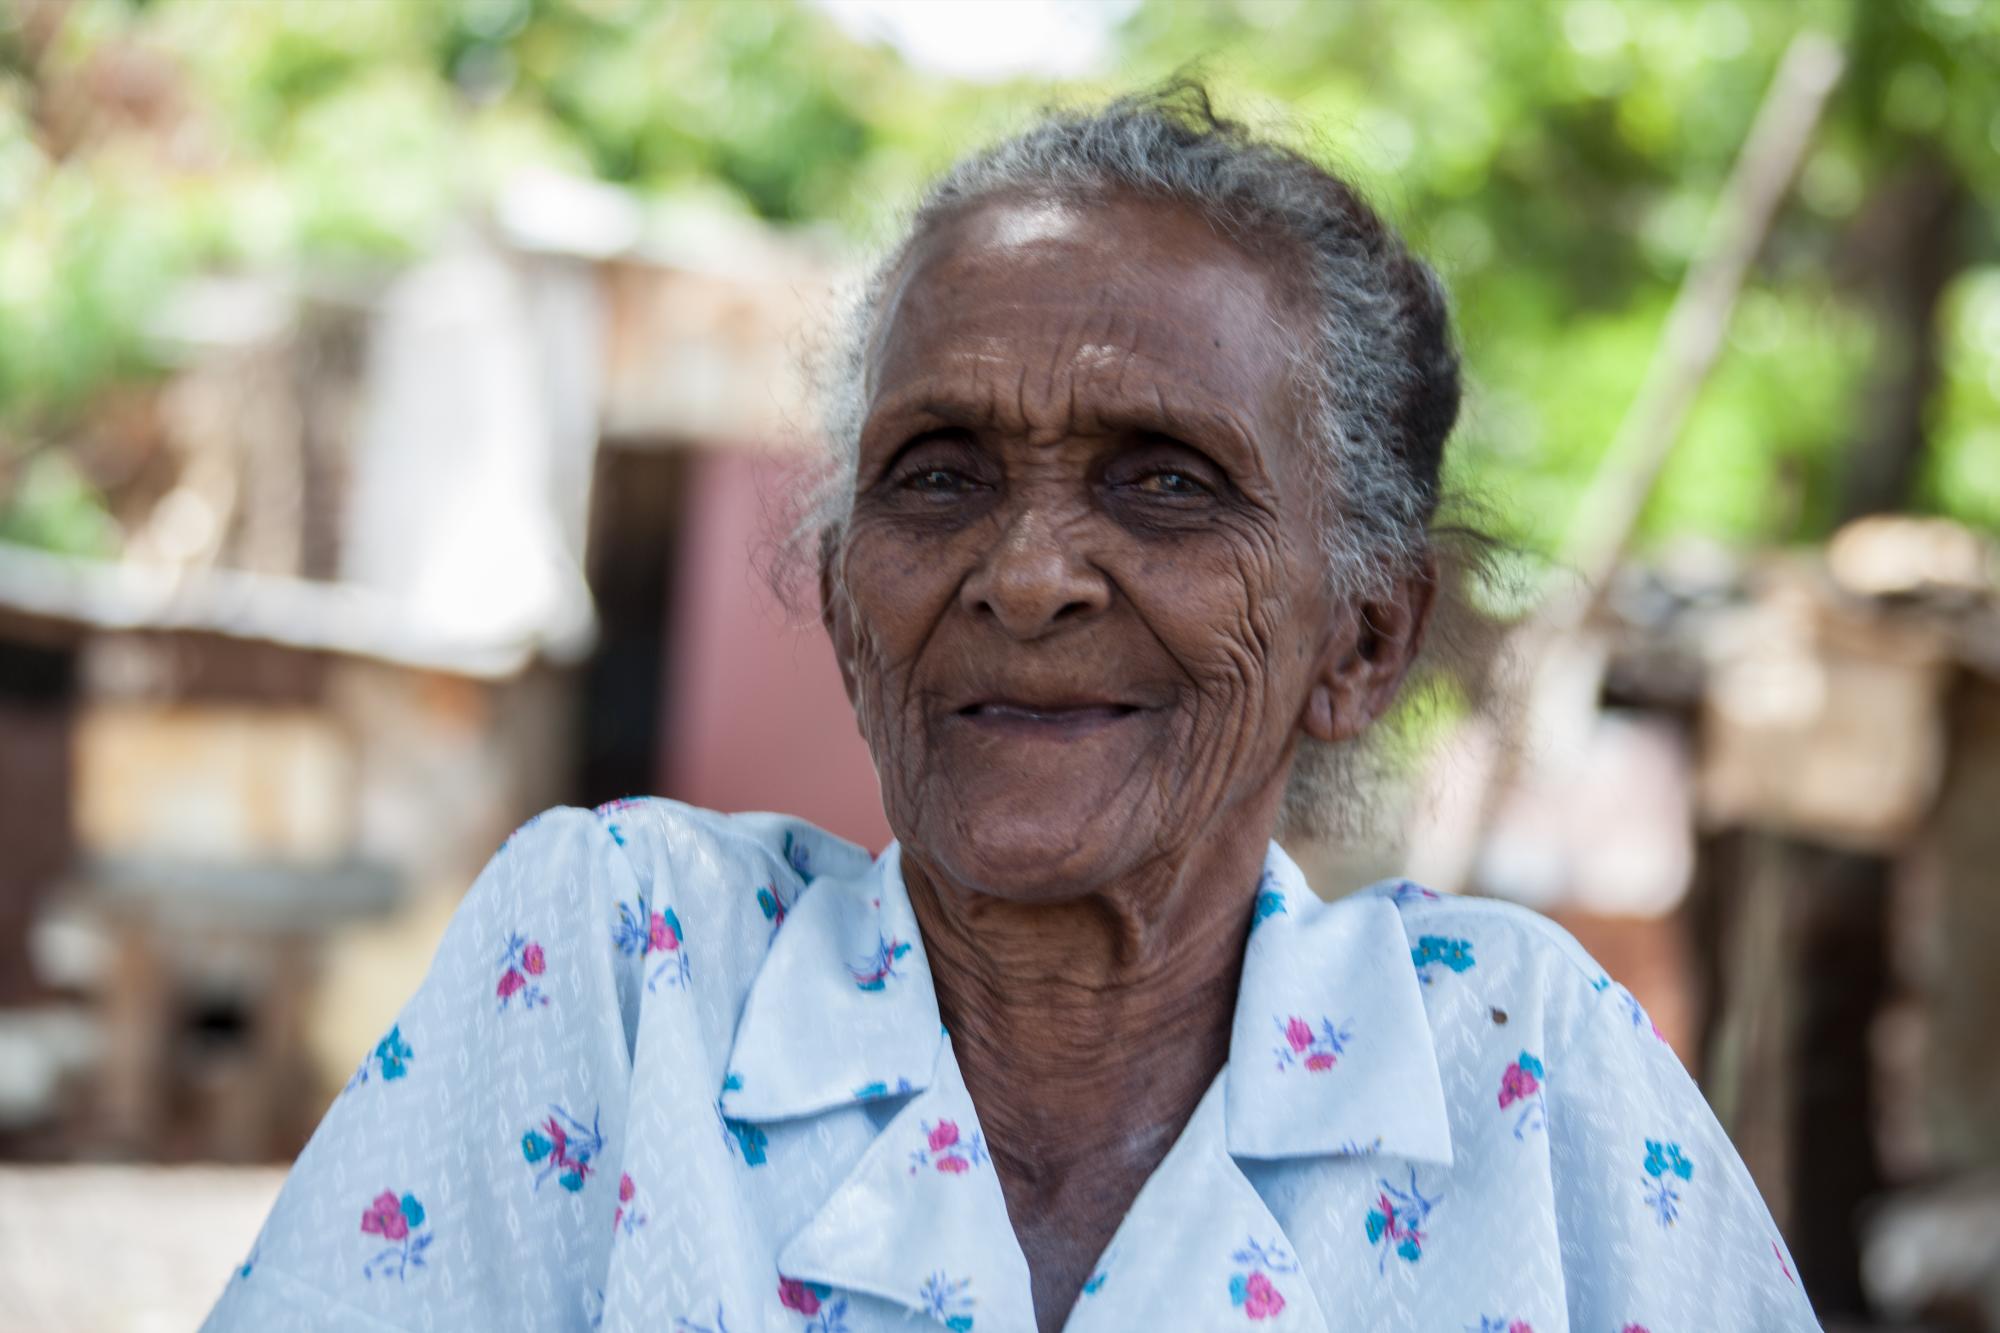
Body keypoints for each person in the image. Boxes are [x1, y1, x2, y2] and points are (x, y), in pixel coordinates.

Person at [204, 86, 1819, 1333]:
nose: (1029, 570)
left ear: (1366, 639)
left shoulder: (1518, 1069)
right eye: (941, 475)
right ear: (847, 604)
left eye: (1168, 482)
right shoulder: (630, 968)